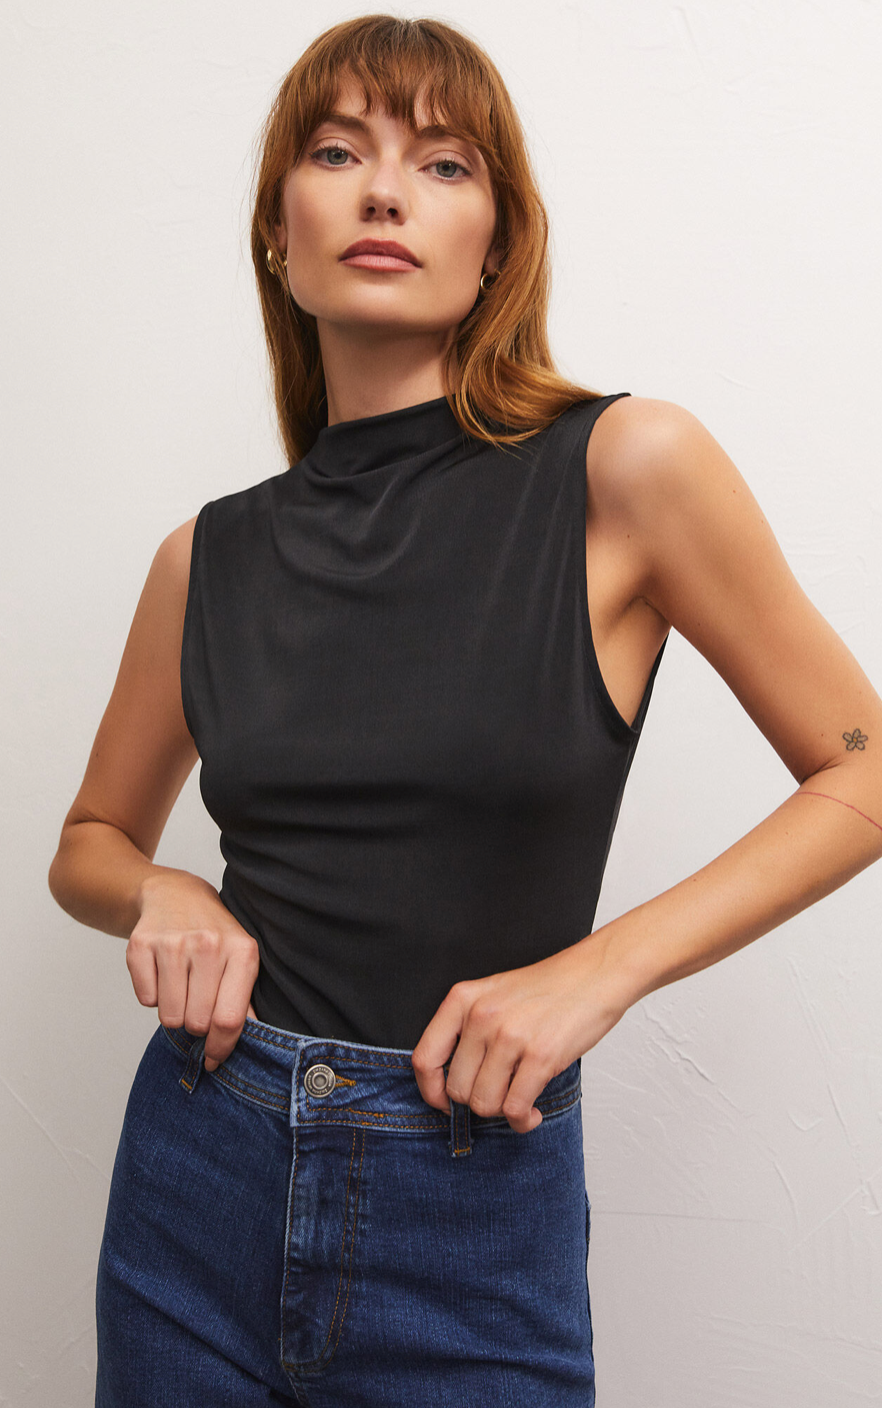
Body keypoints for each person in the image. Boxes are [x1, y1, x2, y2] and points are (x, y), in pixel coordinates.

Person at [48, 14, 882, 1408]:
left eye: (442, 163)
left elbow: (860, 771)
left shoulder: (625, 468)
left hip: (472, 1189)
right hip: (200, 1176)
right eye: (337, 153)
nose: (384, 191)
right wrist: (161, 889)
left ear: (497, 245)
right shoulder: (207, 556)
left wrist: (595, 973)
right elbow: (88, 841)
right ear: (278, 233)